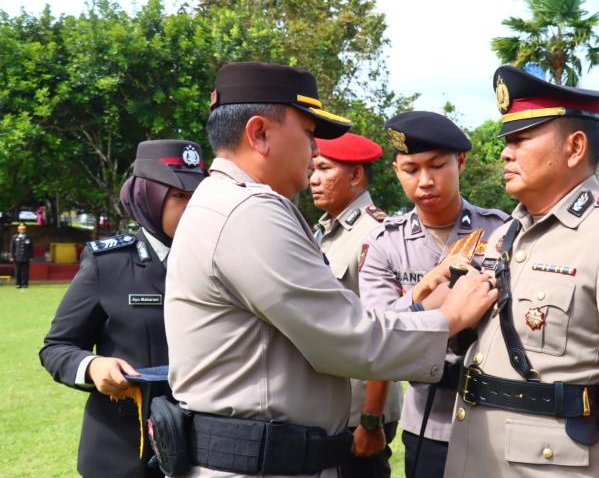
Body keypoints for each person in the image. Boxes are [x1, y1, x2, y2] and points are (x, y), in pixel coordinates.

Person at [163, 62, 498, 478]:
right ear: (259, 134)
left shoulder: (221, 200)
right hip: (260, 462)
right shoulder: (249, 212)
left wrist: (414, 301)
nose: (315, 152)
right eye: (308, 134)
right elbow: (345, 338)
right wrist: (449, 318)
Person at [444, 66, 599, 478]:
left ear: (574, 148)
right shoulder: (506, 234)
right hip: (475, 454)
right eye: (506, 141)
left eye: (520, 140)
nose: (504, 153)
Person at [39, 140, 208, 477]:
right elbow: (57, 347)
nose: (192, 208)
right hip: (123, 452)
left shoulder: (216, 262)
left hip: (205, 450)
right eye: (179, 197)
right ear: (149, 196)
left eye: (197, 197)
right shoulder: (110, 264)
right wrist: (92, 366)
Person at [358, 110, 509, 478]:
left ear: (460, 162)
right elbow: (375, 332)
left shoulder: (500, 232)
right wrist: (424, 295)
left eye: (437, 166)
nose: (425, 181)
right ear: (396, 171)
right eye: (411, 170)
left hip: (497, 418)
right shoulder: (385, 244)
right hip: (428, 422)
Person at [309, 132, 403, 478]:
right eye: (312, 169)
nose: (313, 179)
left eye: (323, 168)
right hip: (331, 405)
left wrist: (370, 418)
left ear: (355, 175)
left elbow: (385, 331)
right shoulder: (323, 231)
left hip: (360, 413)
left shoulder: (374, 234)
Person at [10, 223, 33, 288]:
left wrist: (31, 256)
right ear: (18, 230)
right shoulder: (14, 237)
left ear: (25, 230)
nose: (22, 231)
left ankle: (25, 283)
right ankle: (18, 283)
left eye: (23, 229)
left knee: (25, 271)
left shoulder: (28, 237)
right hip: (17, 257)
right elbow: (12, 248)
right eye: (20, 229)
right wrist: (12, 256)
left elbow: (31, 247)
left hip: (26, 257)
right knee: (17, 271)